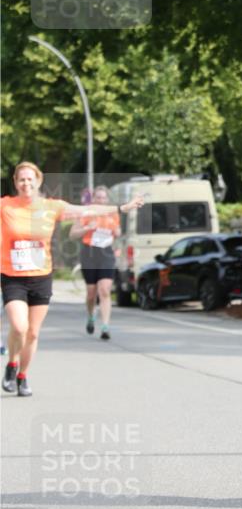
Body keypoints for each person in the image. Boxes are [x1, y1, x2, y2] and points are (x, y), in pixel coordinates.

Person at [1, 162, 143, 396]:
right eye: (21, 180)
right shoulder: (5, 206)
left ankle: (23, 376)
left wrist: (122, 208)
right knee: (19, 326)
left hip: (40, 277)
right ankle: (12, 363)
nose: (26, 183)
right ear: (15, 182)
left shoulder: (52, 206)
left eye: (30, 179)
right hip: (12, 276)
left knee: (33, 332)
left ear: (38, 181)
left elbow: (87, 211)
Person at [69, 185, 120, 340]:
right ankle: (91, 316)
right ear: (93, 199)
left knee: (104, 290)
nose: (101, 200)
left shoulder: (112, 214)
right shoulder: (85, 214)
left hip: (106, 253)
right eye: (98, 197)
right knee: (91, 293)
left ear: (107, 200)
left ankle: (105, 327)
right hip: (89, 254)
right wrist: (87, 228)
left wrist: (117, 233)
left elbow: (117, 232)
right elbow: (72, 235)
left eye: (104, 197)